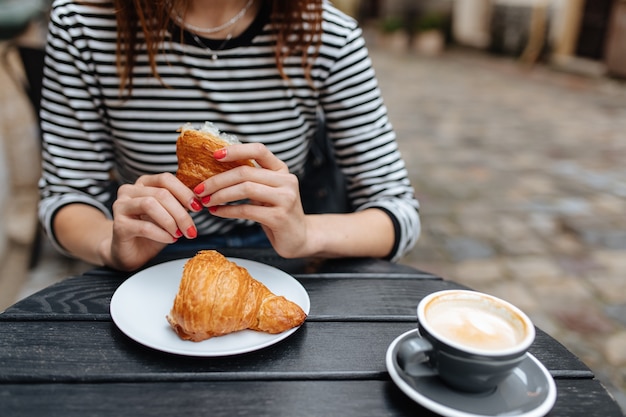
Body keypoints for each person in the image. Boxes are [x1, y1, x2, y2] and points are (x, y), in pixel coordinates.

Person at [38, 0, 421, 271]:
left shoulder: (327, 36)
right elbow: (66, 195)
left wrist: (305, 233)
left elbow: (397, 210)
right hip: (147, 260)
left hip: (277, 259)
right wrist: (112, 244)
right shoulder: (83, 23)